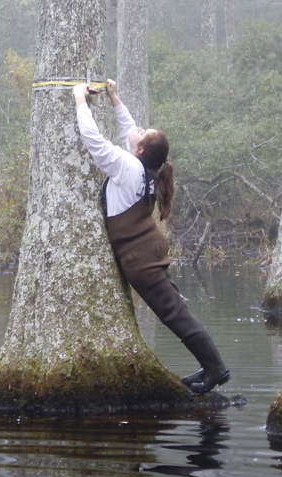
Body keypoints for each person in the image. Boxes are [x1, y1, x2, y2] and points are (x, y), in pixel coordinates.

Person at [73, 79, 230, 395]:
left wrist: (79, 101)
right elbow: (129, 129)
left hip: (140, 257)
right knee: (175, 309)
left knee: (172, 312)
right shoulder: (148, 165)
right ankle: (212, 367)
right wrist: (115, 98)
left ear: (140, 148)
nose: (138, 128)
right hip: (148, 248)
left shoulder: (128, 166)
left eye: (142, 134)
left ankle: (216, 371)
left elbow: (93, 140)